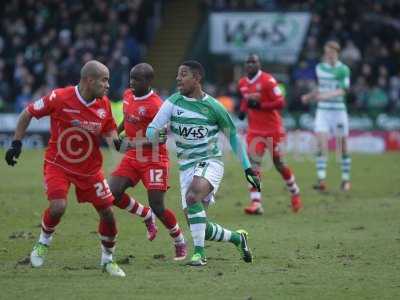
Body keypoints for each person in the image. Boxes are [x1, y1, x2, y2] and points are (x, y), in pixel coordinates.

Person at [4, 60, 126, 277]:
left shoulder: (104, 104)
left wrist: (120, 142)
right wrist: (16, 143)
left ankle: (108, 260)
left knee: (107, 213)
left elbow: (109, 131)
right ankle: (43, 242)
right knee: (58, 206)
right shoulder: (59, 97)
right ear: (89, 80)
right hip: (58, 164)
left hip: (90, 169)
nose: (108, 85)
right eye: (104, 80)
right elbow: (28, 113)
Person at [146, 60, 261, 266]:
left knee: (192, 197)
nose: (178, 78)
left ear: (197, 78)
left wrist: (247, 167)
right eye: (178, 74)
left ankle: (199, 254)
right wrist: (157, 133)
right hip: (186, 168)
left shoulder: (214, 107)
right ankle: (237, 238)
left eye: (183, 74)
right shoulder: (173, 102)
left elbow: (233, 136)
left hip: (210, 161)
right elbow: (151, 129)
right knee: (199, 224)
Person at [109, 63, 187, 260]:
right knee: (112, 193)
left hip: (154, 159)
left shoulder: (157, 106)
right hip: (133, 156)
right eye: (131, 78)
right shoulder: (128, 95)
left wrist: (129, 144)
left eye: (136, 79)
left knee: (158, 206)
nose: (131, 82)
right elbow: (127, 118)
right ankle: (145, 214)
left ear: (148, 81)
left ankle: (179, 240)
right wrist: (117, 133)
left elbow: (159, 138)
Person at [237, 54, 302, 215]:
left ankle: (294, 191)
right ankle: (256, 203)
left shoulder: (268, 81)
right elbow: (246, 100)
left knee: (279, 164)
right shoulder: (242, 83)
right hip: (254, 131)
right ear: (245, 65)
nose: (251, 64)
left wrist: (260, 105)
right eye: (248, 62)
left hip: (273, 129)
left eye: (254, 62)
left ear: (259, 64)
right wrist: (243, 111)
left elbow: (280, 102)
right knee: (253, 165)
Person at [301, 41, 351, 191]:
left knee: (342, 146)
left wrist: (326, 96)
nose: (328, 55)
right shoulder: (320, 68)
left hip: (338, 111)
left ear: (337, 53)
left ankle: (346, 179)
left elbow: (343, 90)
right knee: (321, 144)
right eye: (326, 52)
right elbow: (320, 87)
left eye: (331, 52)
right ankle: (321, 180)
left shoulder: (343, 69)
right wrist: (309, 96)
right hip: (323, 111)